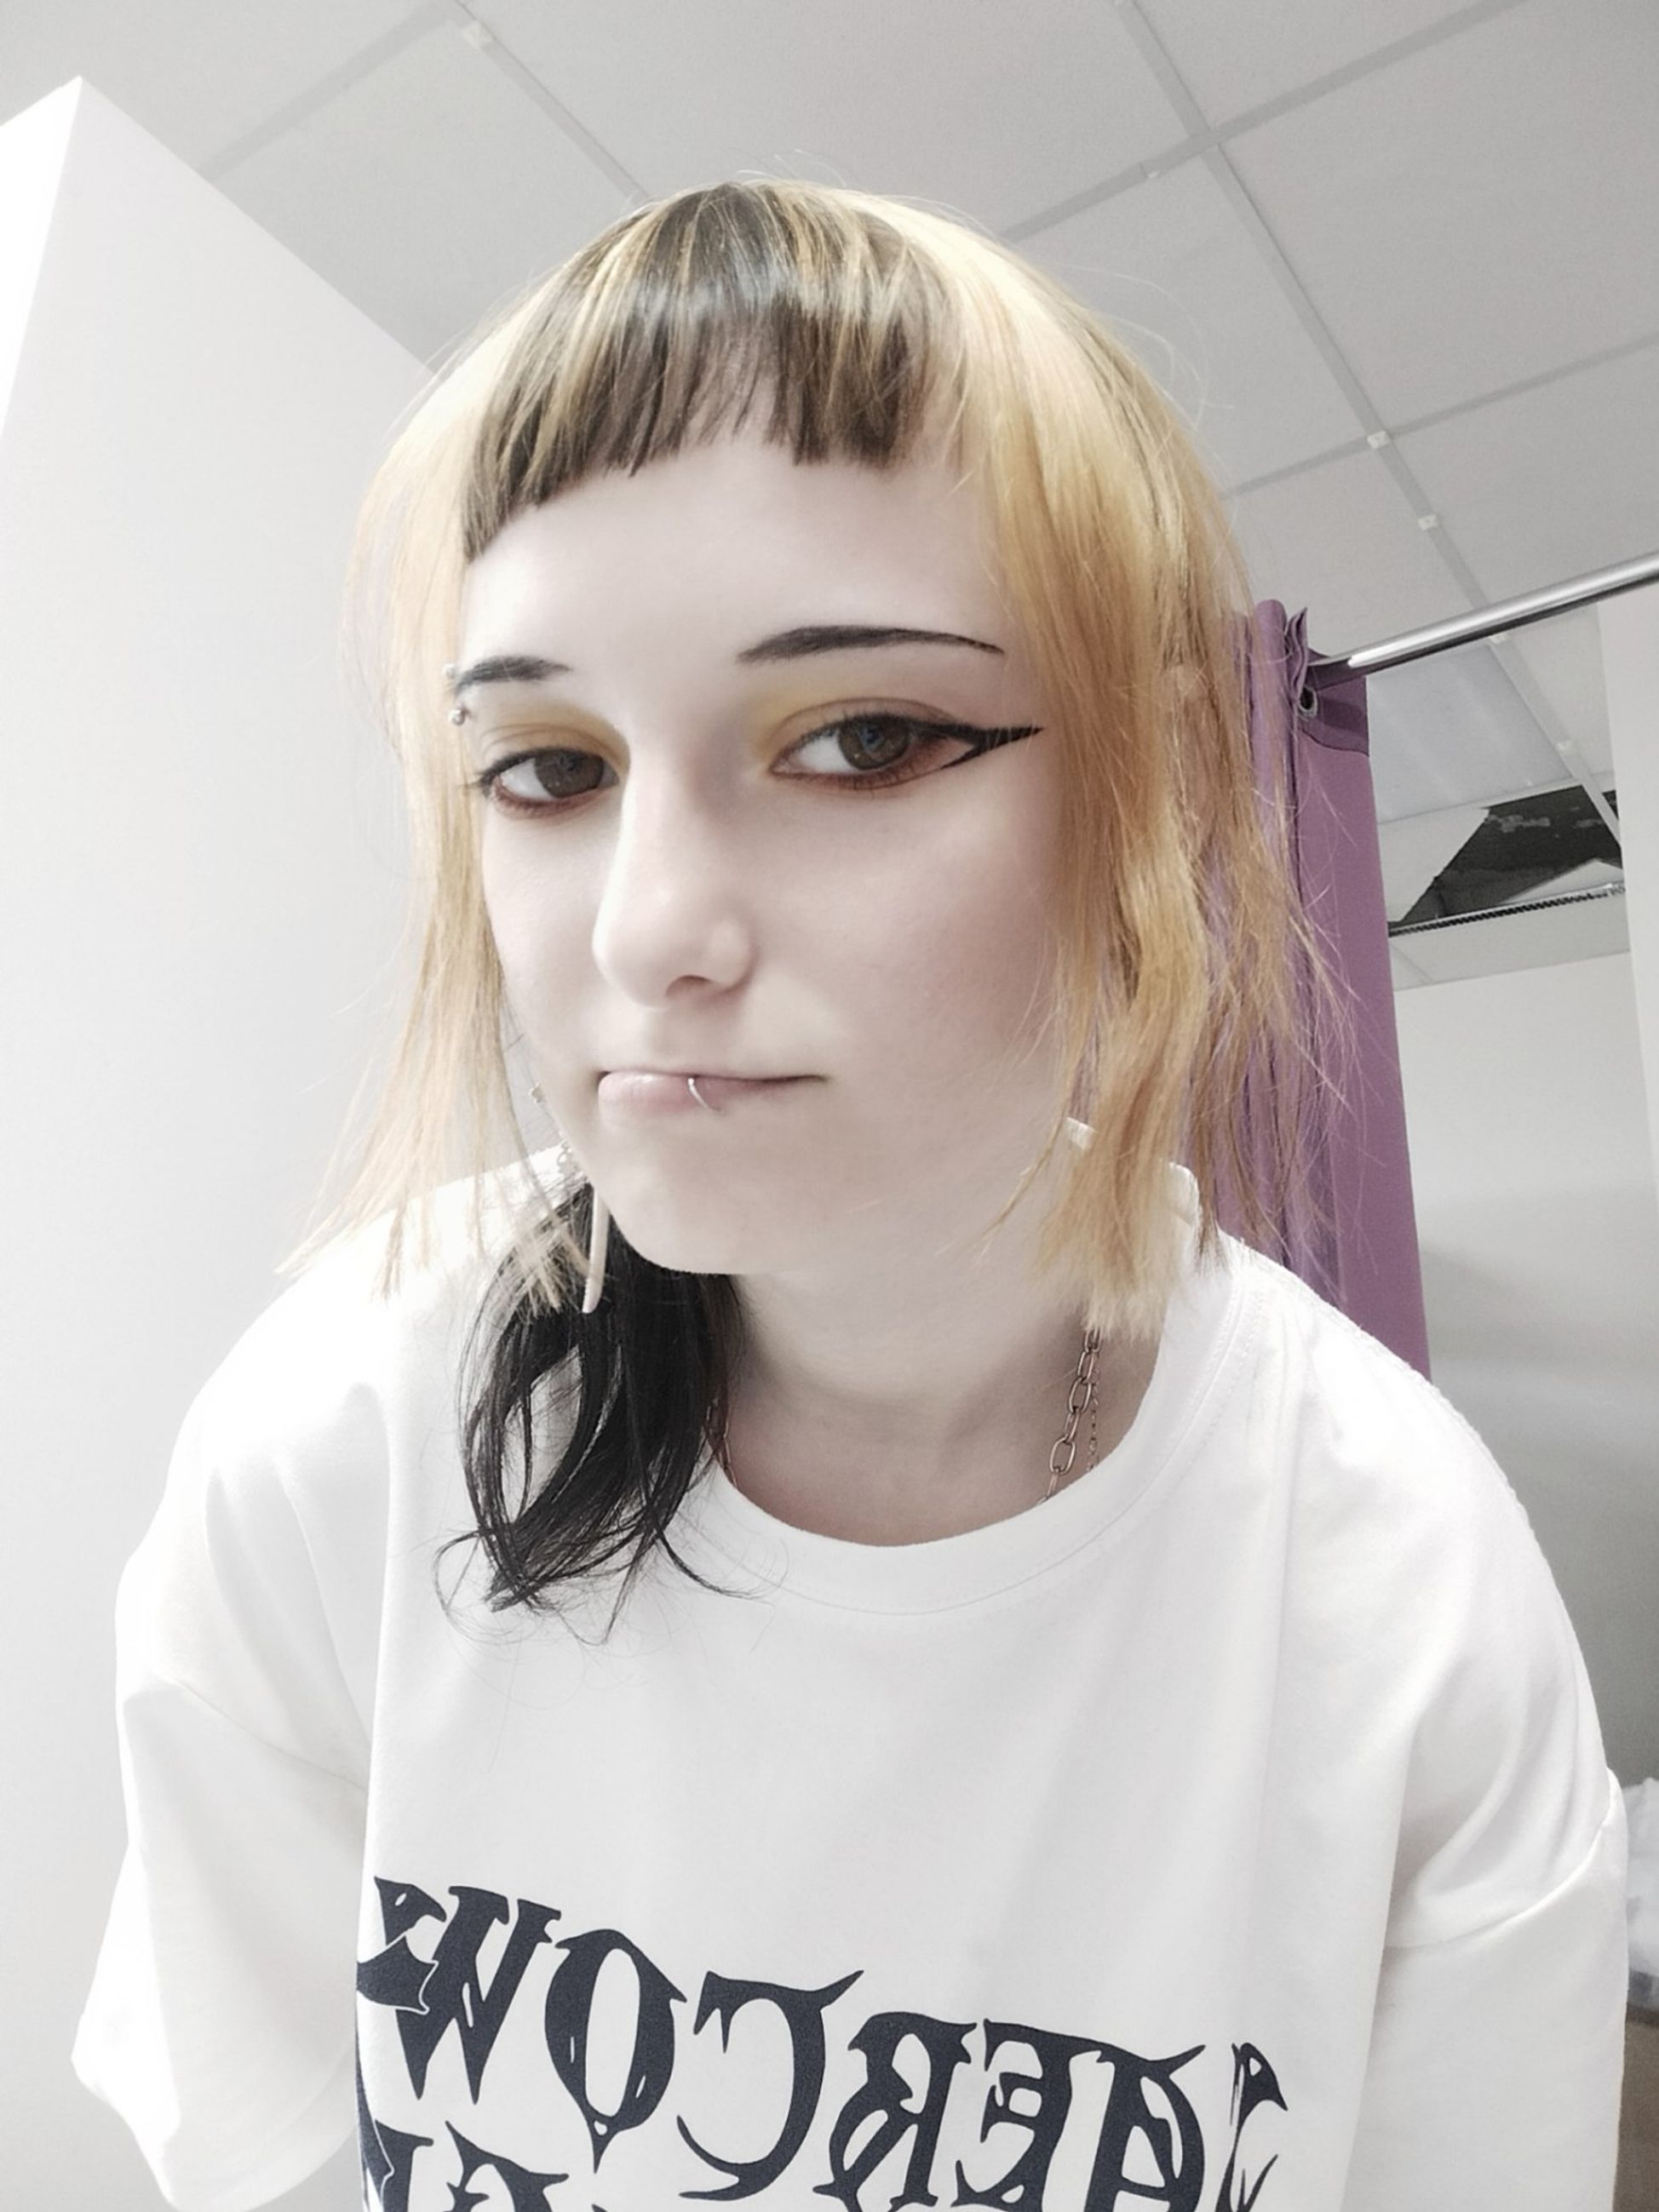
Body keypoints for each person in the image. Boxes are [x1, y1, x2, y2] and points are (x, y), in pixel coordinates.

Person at [72, 181, 1627, 2211]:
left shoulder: (1396, 1593)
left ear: (1152, 800)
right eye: (547, 767)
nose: (647, 931)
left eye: (861, 738)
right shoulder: (346, 1434)